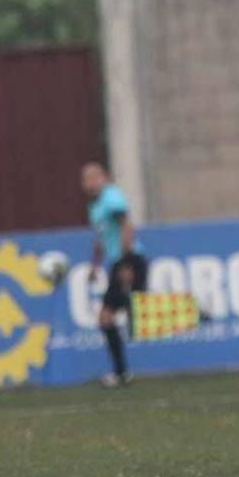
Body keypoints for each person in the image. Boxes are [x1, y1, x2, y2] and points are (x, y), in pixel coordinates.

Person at [82, 162, 148, 387]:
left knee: (136, 316)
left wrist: (125, 263)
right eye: (86, 179)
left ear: (104, 178)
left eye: (93, 177)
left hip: (129, 261)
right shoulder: (95, 206)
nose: (89, 183)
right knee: (109, 317)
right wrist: (94, 266)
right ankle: (121, 373)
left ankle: (197, 311)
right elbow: (101, 238)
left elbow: (126, 227)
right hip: (118, 262)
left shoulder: (111, 198)